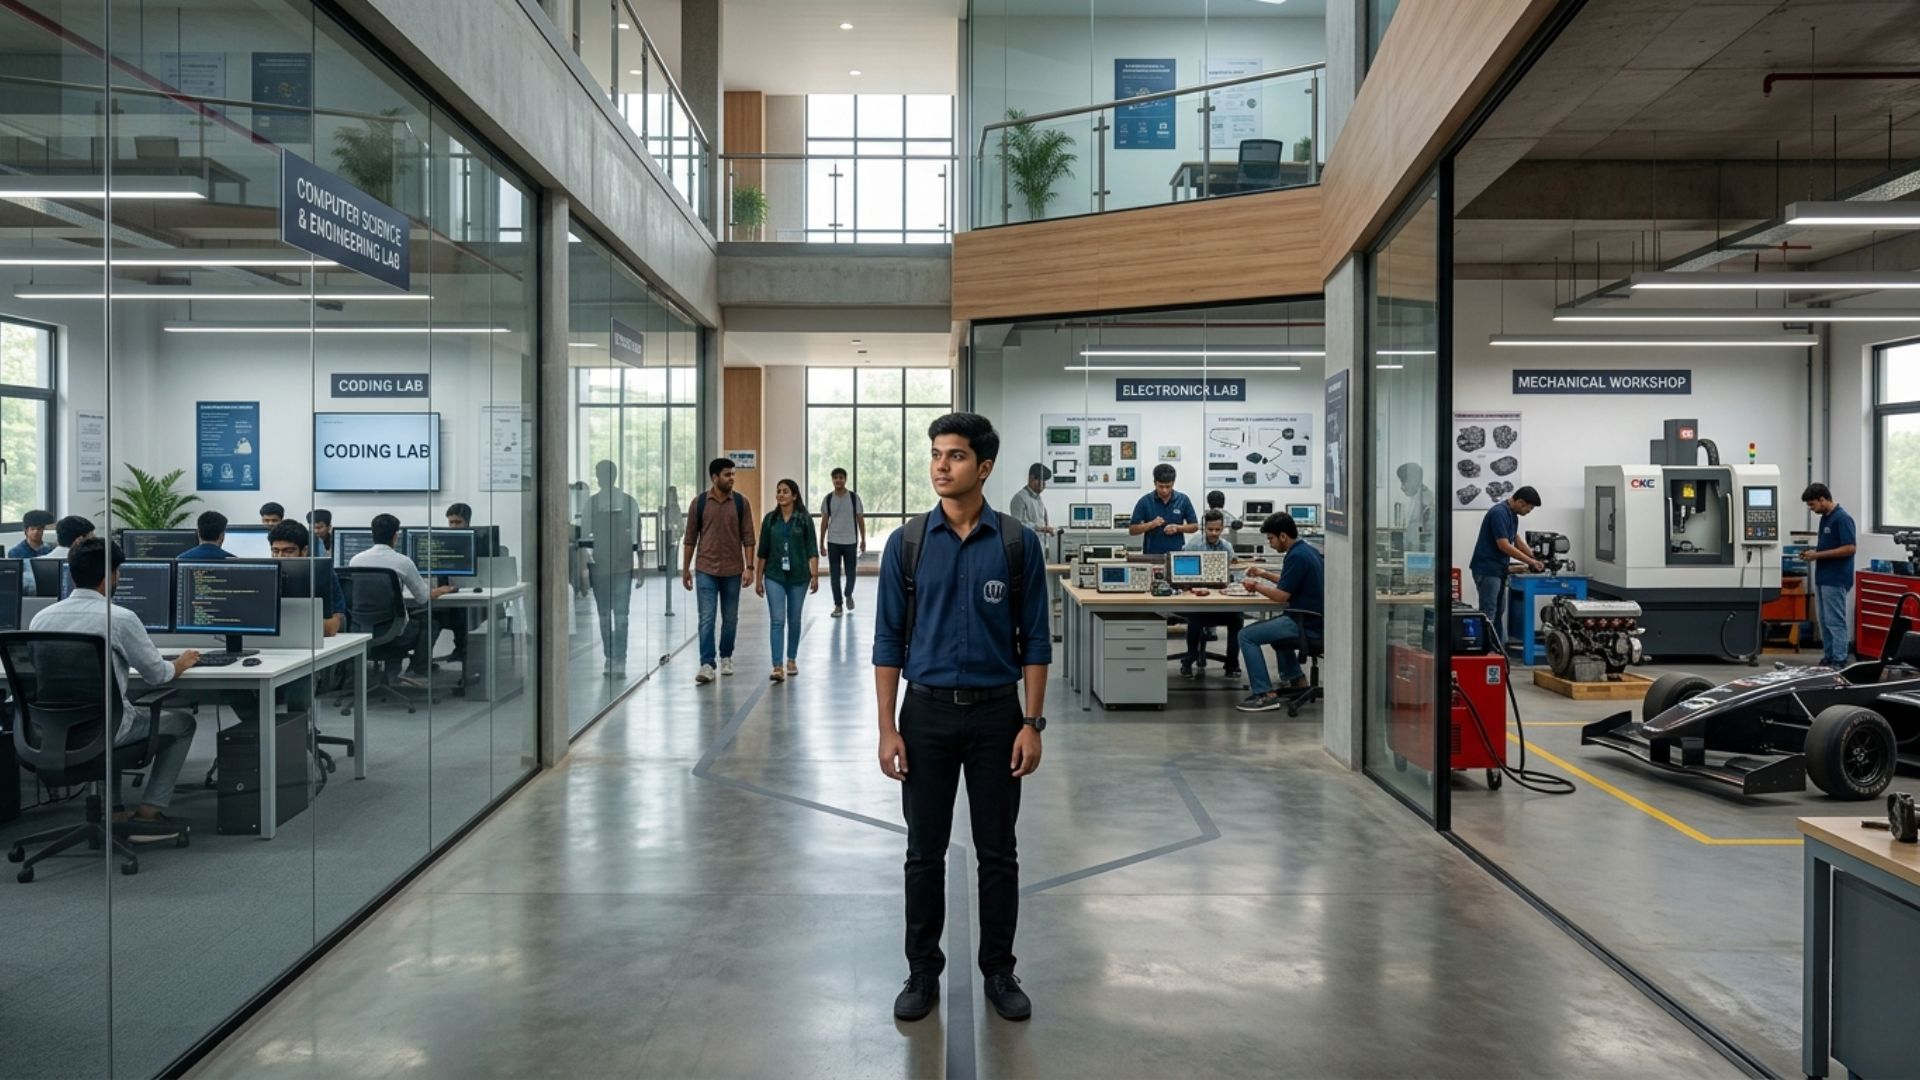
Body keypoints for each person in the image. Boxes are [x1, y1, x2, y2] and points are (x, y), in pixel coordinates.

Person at [874, 412, 1049, 1025]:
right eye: (935, 455)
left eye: (954, 456)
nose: (940, 466)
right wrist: (887, 727)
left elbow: (1036, 642)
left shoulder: (1017, 544)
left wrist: (1033, 722)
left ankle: (999, 971)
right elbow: (888, 641)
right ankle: (922, 971)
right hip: (924, 716)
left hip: (998, 717)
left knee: (998, 851)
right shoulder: (909, 543)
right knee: (924, 852)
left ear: (985, 466)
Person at [30, 537, 199, 841]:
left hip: (50, 733)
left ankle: (115, 807)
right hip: (104, 729)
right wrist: (182, 663)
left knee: (116, 709)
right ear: (111, 576)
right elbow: (157, 675)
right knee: (182, 723)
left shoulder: (41, 618)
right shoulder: (119, 618)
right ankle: (149, 812)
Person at [1235, 512, 1324, 712]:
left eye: (1271, 539)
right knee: (1274, 634)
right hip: (1314, 618)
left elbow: (1282, 596)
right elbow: (1290, 584)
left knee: (1246, 635)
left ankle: (1265, 694)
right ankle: (1297, 680)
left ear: (1283, 536)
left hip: (1304, 622)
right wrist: (1264, 573)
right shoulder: (1307, 551)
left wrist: (1255, 586)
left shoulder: (1296, 556)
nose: (1270, 543)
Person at [350, 513, 457, 679]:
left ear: (372, 535)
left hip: (361, 628)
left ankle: (392, 672)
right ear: (395, 536)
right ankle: (420, 668)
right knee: (431, 623)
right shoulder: (402, 562)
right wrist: (439, 590)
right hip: (394, 631)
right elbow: (422, 598)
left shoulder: (355, 560)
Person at [682, 457, 755, 685]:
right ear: (714, 478)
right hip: (706, 569)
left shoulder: (741, 503)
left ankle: (726, 656)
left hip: (733, 570)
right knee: (706, 618)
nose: (731, 478)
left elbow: (749, 538)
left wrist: (749, 567)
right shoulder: (699, 503)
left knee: (730, 619)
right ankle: (706, 663)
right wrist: (686, 569)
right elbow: (690, 539)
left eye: (733, 474)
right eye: (727, 475)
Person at [756, 478, 819, 682]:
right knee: (777, 620)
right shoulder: (770, 520)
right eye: (778, 491)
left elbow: (812, 549)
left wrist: (815, 575)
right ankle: (777, 665)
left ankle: (791, 659)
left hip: (799, 576)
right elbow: (762, 551)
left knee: (794, 620)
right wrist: (758, 579)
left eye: (785, 491)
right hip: (774, 575)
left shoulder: (804, 520)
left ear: (794, 495)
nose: (781, 494)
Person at [584, 461, 640, 677]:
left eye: (605, 474)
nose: (601, 478)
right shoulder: (592, 504)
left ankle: (620, 658)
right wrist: (584, 569)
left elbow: (635, 539)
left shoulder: (628, 503)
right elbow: (585, 538)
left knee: (622, 615)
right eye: (599, 474)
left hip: (622, 568)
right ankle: (610, 656)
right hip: (599, 569)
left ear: (613, 476)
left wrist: (640, 569)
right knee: (604, 615)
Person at [1468, 486, 1544, 645]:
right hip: (1487, 569)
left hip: (1498, 570)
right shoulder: (1499, 513)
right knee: (1489, 612)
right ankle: (1485, 650)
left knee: (1497, 611)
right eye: (1528, 508)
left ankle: (1497, 649)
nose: (1529, 511)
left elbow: (1516, 540)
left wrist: (1534, 556)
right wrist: (1530, 562)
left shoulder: (1512, 515)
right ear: (1520, 502)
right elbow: (1504, 545)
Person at [1181, 510, 1243, 679]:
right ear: (1204, 528)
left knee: (1237, 618)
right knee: (1195, 618)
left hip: (1222, 600)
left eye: (1217, 529)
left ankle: (1232, 663)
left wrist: (1231, 586)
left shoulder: (1227, 547)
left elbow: (1236, 576)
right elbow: (1182, 574)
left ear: (1222, 528)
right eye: (1210, 530)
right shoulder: (1193, 545)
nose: (1214, 533)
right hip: (1198, 599)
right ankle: (1190, 658)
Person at [1802, 483, 1858, 667]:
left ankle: (1840, 659)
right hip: (1823, 577)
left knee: (1835, 621)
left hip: (1836, 578)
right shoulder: (1825, 518)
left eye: (1812, 505)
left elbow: (1850, 548)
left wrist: (1817, 555)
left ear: (1823, 499)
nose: (1811, 509)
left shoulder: (1842, 518)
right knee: (1824, 622)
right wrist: (1813, 553)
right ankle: (1829, 657)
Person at [819, 467, 866, 618]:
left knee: (851, 572)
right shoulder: (828, 499)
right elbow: (825, 521)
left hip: (850, 541)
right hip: (833, 541)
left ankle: (848, 594)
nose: (838, 480)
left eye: (841, 477)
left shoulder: (853, 498)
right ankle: (838, 604)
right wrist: (821, 542)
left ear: (845, 479)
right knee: (834, 575)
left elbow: (860, 519)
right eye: (835, 478)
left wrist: (863, 539)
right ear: (832, 480)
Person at [1129, 463, 1198, 556]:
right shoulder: (1145, 501)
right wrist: (1151, 524)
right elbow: (1132, 530)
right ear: (1155, 483)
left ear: (1173, 483)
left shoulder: (1183, 500)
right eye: (1161, 486)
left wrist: (1178, 528)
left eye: (1168, 486)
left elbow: (1194, 526)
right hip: (1151, 555)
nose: (1164, 490)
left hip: (1176, 555)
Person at [1397, 463, 1434, 552]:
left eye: (1403, 482)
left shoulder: (1426, 499)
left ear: (1414, 480)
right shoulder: (1415, 497)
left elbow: (1426, 532)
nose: (1402, 487)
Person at [1007, 463, 1053, 535]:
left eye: (1045, 481)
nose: (1043, 484)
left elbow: (1041, 523)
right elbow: (1018, 525)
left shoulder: (1038, 498)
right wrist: (1039, 528)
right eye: (1041, 480)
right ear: (1031, 478)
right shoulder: (1019, 498)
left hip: (1041, 543)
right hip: (1028, 544)